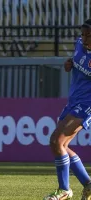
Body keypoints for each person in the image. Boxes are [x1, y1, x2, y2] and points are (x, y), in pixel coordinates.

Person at [43, 19, 91, 200]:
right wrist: (69, 63)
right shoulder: (79, 44)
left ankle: (64, 190)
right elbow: (77, 60)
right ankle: (88, 184)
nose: (85, 38)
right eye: (83, 34)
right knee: (60, 145)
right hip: (73, 101)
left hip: (87, 105)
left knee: (57, 141)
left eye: (89, 35)